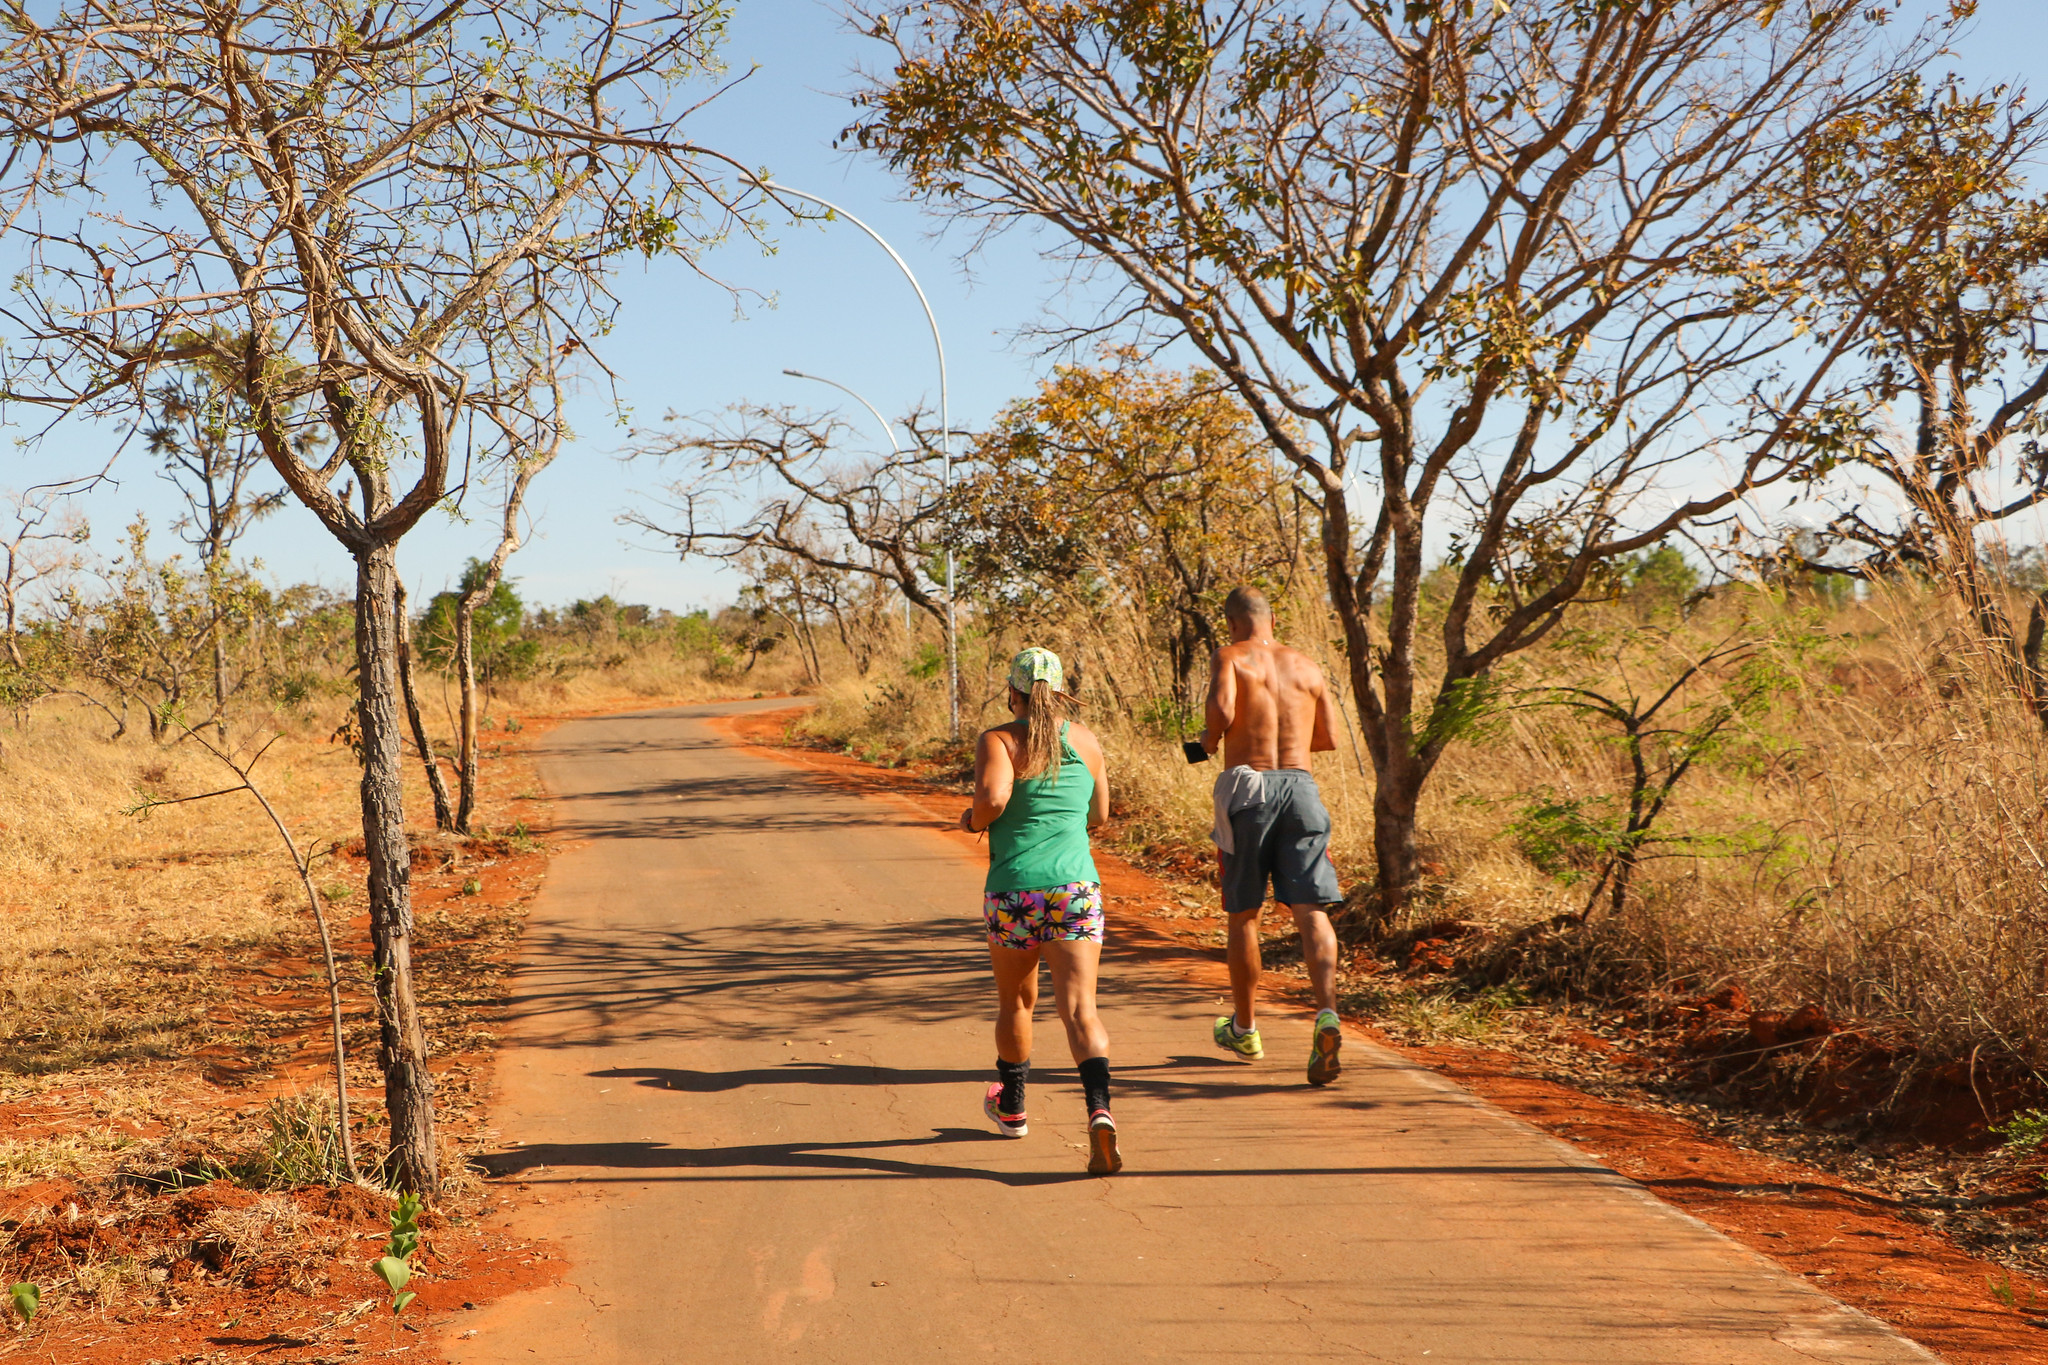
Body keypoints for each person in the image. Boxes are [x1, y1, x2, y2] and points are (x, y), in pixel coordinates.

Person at [960, 646, 1120, 1174]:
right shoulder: (1087, 742)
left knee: (1017, 1003)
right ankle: (1099, 1111)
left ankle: (1013, 1107)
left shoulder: (999, 739)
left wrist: (971, 820)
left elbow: (993, 800)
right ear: (1060, 692)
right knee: (1081, 1009)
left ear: (1014, 692)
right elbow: (1099, 815)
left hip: (1014, 892)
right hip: (1076, 889)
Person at [1195, 587, 1347, 1086]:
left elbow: (1221, 710)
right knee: (1311, 911)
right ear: (1272, 619)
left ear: (1234, 624)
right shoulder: (1307, 665)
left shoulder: (1230, 656)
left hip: (1251, 786)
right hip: (1303, 788)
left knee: (1244, 914)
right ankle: (1326, 1014)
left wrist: (1208, 742)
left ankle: (1245, 1027)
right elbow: (1326, 738)